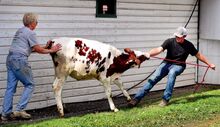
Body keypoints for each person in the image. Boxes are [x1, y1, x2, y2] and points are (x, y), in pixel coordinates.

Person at [128, 26, 215, 107]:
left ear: (184, 36)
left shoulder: (189, 45)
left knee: (172, 73)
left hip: (179, 65)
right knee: (154, 77)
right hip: (166, 63)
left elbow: (198, 55)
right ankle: (136, 99)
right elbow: (159, 49)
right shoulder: (169, 41)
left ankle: (165, 99)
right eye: (176, 36)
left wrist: (209, 64)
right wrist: (148, 54)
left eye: (179, 37)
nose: (177, 38)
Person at [1, 13, 62, 121]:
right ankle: (20, 109)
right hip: (19, 60)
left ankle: (5, 114)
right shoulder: (30, 33)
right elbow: (38, 50)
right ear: (32, 23)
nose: (37, 24)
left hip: (10, 60)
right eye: (36, 22)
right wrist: (52, 50)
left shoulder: (20, 31)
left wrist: (45, 47)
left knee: (10, 88)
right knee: (30, 84)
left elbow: (32, 49)